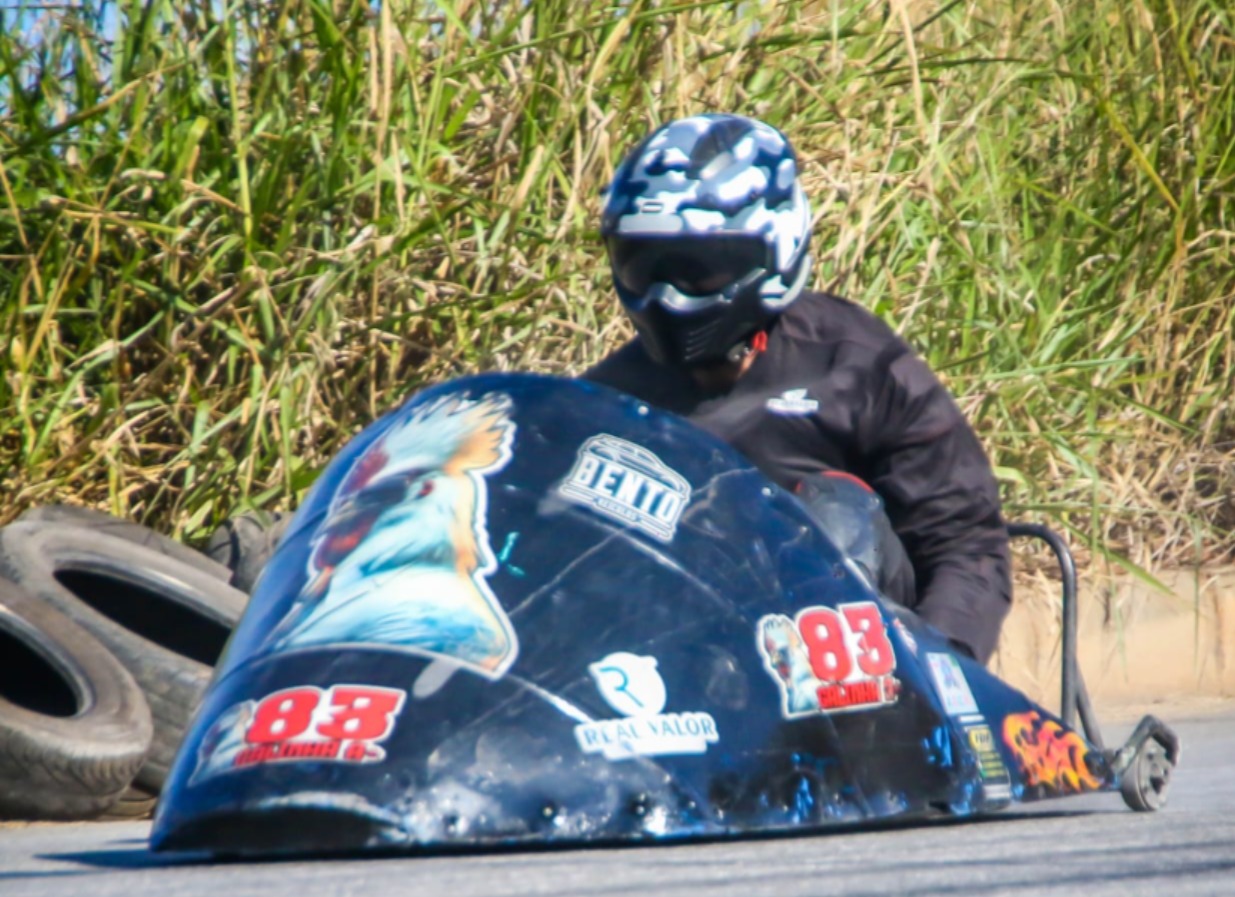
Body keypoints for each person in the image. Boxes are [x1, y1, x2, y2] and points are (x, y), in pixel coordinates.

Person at [583, 113, 1011, 664]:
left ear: (775, 249)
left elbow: (965, 541)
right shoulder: (606, 402)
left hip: (865, 675)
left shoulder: (855, 364)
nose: (668, 299)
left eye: (698, 271)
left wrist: (943, 671)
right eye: (646, 268)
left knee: (834, 513)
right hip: (673, 670)